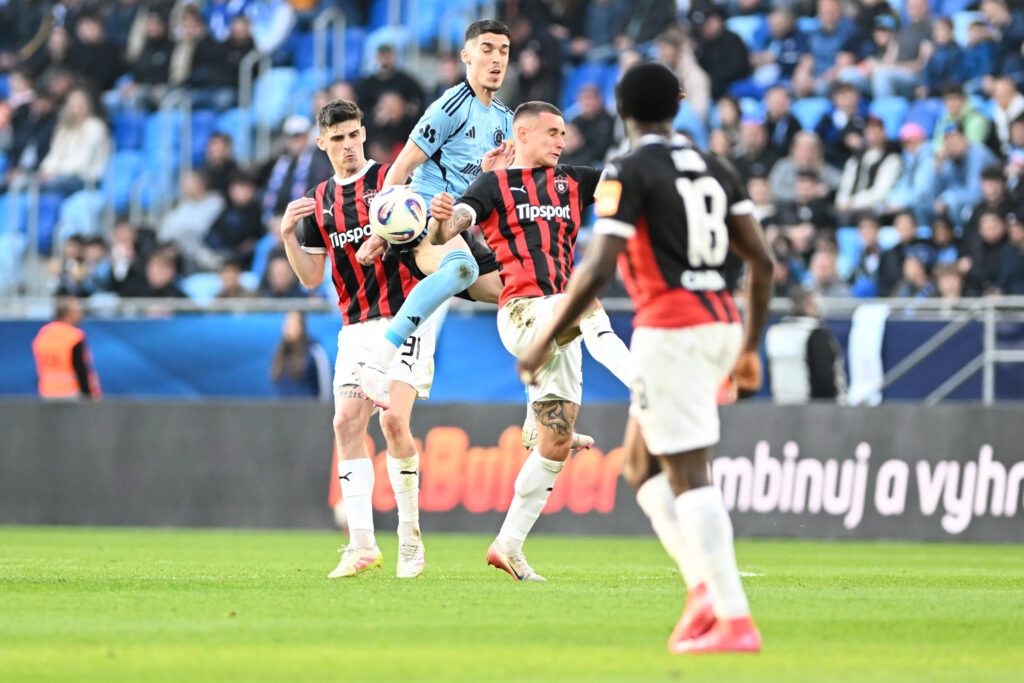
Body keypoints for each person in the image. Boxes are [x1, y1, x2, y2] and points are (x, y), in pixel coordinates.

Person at [516, 63, 774, 654]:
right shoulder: (717, 166)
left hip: (672, 328)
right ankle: (703, 590)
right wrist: (749, 347)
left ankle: (732, 616)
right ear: (677, 108)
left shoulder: (626, 170)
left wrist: (544, 336)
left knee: (687, 470)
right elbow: (761, 262)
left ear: (622, 110)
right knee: (640, 465)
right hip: (719, 323)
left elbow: (599, 265)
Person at [427, 101, 636, 582]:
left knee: (556, 443)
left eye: (564, 133)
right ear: (521, 134)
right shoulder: (493, 185)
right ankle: (644, 386)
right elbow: (450, 228)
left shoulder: (575, 181)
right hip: (522, 312)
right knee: (585, 301)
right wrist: (440, 219)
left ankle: (508, 545)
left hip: (561, 328)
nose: (562, 141)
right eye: (552, 133)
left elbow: (626, 186)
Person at [279, 98, 431, 579]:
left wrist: (390, 238)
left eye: (353, 135)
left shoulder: (391, 181)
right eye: (337, 139)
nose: (347, 145)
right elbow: (310, 277)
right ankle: (362, 544)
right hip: (356, 328)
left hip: (405, 319)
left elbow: (424, 237)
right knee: (346, 422)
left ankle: (410, 536)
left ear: (363, 133)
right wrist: (288, 236)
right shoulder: (318, 201)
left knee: (393, 423)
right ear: (321, 143)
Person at [352, 20, 515, 408]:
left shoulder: (505, 119)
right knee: (461, 269)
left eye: (504, 51)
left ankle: (538, 413)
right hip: (423, 216)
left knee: (523, 296)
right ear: (466, 56)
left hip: (461, 225)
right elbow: (400, 167)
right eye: (487, 49)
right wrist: (381, 232)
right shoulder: (449, 106)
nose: (496, 59)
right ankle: (376, 364)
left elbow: (492, 191)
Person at [765, 288, 846, 404]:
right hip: (813, 407)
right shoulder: (815, 334)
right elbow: (824, 378)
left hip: (781, 403)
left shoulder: (774, 333)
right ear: (809, 306)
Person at [32, 296, 102, 400]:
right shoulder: (74, 336)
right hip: (71, 393)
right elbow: (80, 369)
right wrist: (89, 395)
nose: (81, 315)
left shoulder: (43, 334)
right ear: (67, 314)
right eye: (78, 311)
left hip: (47, 392)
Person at [269, 311, 331, 400]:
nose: (288, 327)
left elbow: (325, 387)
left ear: (301, 326)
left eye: (293, 323)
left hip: (308, 407)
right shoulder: (280, 354)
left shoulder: (314, 352)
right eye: (287, 322)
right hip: (283, 408)